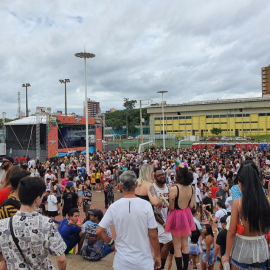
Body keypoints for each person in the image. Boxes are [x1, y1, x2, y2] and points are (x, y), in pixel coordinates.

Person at [96, 170, 161, 270]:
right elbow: (153, 235)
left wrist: (112, 244)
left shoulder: (114, 207)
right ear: (136, 184)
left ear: (120, 186)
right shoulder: (146, 205)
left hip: (122, 262)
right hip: (143, 262)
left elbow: (99, 231)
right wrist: (157, 256)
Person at [0, 177, 67, 270]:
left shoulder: (3, 224)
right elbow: (61, 259)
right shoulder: (46, 224)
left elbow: (3, 258)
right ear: (37, 199)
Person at [222, 163, 270, 270]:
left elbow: (231, 232)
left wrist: (227, 254)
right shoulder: (266, 202)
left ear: (242, 184)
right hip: (261, 249)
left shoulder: (238, 203)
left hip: (241, 249)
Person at [165, 162, 195, 270]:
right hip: (186, 216)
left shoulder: (173, 189)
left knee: (177, 246)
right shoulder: (191, 188)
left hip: (175, 216)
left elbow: (172, 208)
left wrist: (164, 201)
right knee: (185, 245)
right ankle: (185, 267)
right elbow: (191, 205)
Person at [153, 167, 173, 270]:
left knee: (160, 246)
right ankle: (161, 266)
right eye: (159, 175)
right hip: (157, 220)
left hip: (168, 219)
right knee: (169, 241)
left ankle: (155, 266)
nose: (162, 176)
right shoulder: (152, 188)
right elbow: (152, 210)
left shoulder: (168, 187)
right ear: (154, 177)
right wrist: (164, 223)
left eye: (163, 174)